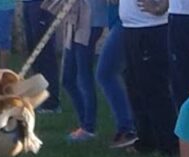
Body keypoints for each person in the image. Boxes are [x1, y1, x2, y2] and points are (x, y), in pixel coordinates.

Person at [119, 0, 178, 155]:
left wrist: (164, 4)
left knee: (154, 88)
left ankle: (169, 144)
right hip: (131, 27)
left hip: (150, 28)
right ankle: (146, 140)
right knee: (135, 87)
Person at [96, 0, 138, 148]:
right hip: (117, 15)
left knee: (105, 73)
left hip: (130, 19)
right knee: (130, 74)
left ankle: (127, 128)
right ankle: (137, 126)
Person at [62, 0, 107, 141]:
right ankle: (84, 123)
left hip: (90, 20)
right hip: (74, 19)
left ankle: (89, 128)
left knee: (83, 75)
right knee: (67, 78)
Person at [21, 0, 61, 112]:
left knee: (45, 53)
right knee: (34, 53)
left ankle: (52, 103)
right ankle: (38, 97)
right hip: (28, 3)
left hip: (42, 5)